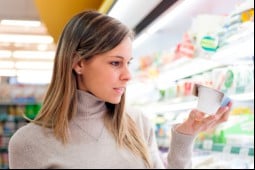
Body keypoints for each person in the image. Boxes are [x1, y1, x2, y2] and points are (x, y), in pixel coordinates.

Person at [8, 10, 232, 169]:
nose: (128, 75)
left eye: (128, 62)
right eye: (115, 63)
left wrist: (186, 135)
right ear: (78, 63)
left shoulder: (137, 123)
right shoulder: (28, 144)